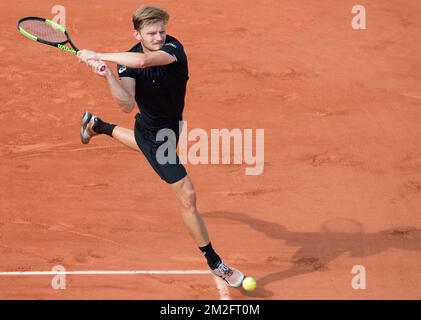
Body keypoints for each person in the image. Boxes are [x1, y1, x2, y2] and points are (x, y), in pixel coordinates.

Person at [77, 5, 244, 287]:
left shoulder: (173, 48)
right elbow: (127, 104)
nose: (158, 37)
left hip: (172, 127)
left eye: (161, 31)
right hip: (154, 134)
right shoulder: (125, 62)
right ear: (137, 33)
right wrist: (108, 75)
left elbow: (144, 63)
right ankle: (214, 262)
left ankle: (97, 126)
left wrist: (97, 54)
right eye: (151, 33)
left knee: (146, 149)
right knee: (188, 196)